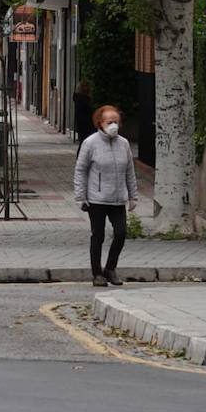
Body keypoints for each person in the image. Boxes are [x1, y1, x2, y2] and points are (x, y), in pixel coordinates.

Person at [73, 105, 138, 287]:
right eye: (110, 122)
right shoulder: (90, 143)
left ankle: (110, 268)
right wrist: (80, 196)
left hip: (118, 199)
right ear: (100, 123)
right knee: (98, 236)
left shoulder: (124, 144)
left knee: (121, 233)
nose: (114, 125)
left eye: (116, 122)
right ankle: (97, 274)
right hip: (96, 199)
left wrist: (133, 196)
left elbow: (129, 172)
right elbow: (80, 170)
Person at [72, 79, 94, 147]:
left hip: (82, 125)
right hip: (86, 125)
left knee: (83, 143)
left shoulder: (79, 99)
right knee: (84, 143)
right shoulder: (83, 100)